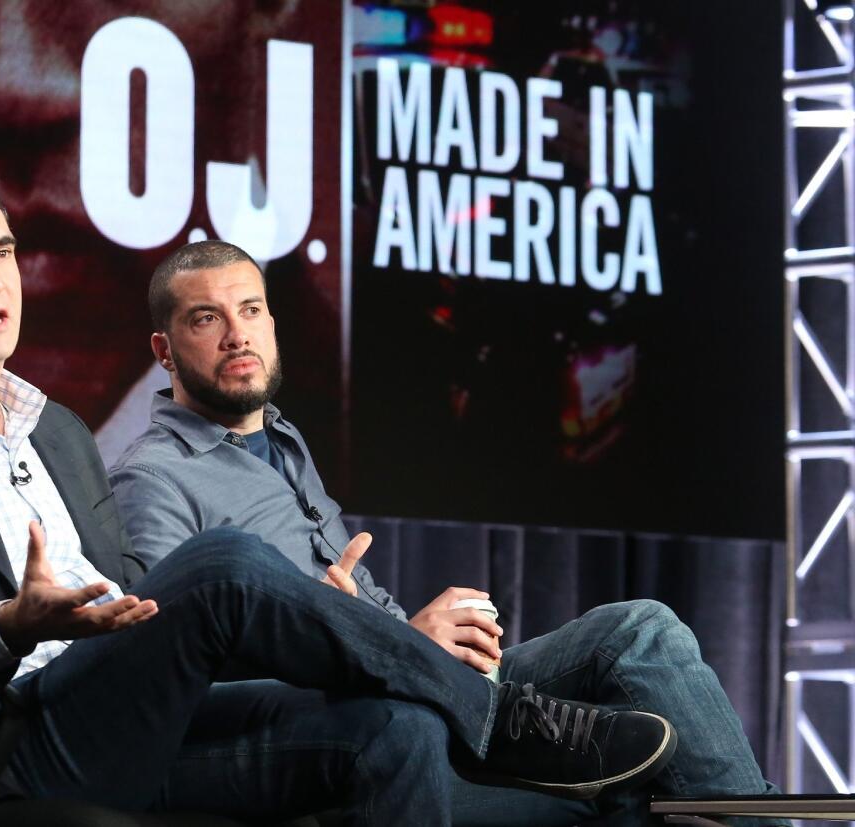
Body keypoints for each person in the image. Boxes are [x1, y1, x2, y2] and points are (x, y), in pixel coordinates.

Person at [0, 154, 676, 826]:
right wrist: (19, 620)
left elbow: (148, 601)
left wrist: (312, 619)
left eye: (4, 251)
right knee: (226, 562)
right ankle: (499, 715)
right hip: (0, 742)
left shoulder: (57, 429)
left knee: (391, 730)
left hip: (130, 717)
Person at [108, 239, 786, 827]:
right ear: (164, 351)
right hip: (350, 721)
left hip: (420, 677)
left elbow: (346, 586)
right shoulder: (153, 477)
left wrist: (432, 641)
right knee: (627, 796)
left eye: (251, 310)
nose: (238, 334)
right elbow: (172, 671)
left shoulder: (281, 440)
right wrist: (382, 644)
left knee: (639, 632)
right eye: (208, 318)